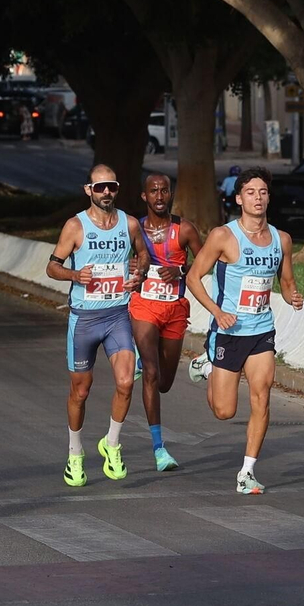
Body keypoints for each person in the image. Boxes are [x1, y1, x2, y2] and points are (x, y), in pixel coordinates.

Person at [185, 167, 303, 494]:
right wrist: (217, 311)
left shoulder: (282, 240)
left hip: (262, 331)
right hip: (229, 331)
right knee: (224, 411)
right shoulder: (224, 236)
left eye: (263, 192)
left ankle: (247, 472)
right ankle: (208, 365)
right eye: (250, 192)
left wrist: (294, 297)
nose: (258, 198)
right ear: (239, 198)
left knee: (262, 397)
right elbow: (193, 277)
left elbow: (287, 281)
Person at [45, 164, 147, 488]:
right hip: (85, 319)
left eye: (112, 187)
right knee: (81, 390)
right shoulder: (76, 226)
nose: (106, 193)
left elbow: (143, 255)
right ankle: (75, 452)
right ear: (88, 190)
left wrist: (138, 271)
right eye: (100, 187)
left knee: (126, 382)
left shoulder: (130, 223)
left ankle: (112, 444)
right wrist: (75, 276)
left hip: (117, 314)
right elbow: (51, 266)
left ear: (117, 189)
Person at [128, 173, 204, 472]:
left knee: (164, 383)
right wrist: (132, 266)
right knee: (150, 372)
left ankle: (143, 360)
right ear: (144, 196)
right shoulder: (134, 228)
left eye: (164, 191)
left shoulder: (183, 229)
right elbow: (119, 257)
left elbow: (206, 260)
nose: (159, 196)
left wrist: (182, 270)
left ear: (169, 194)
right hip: (143, 305)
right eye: (153, 191)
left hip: (174, 309)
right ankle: (159, 449)